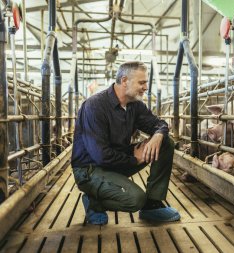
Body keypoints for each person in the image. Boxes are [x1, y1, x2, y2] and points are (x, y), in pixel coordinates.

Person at [71, 61, 180, 225]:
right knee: (136, 199)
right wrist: (134, 159)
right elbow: (100, 155)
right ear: (124, 81)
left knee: (166, 143)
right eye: (141, 82)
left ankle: (152, 205)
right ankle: (95, 202)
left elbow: (159, 124)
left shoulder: (134, 106)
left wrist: (158, 135)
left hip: (116, 159)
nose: (145, 87)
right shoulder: (94, 106)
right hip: (90, 169)